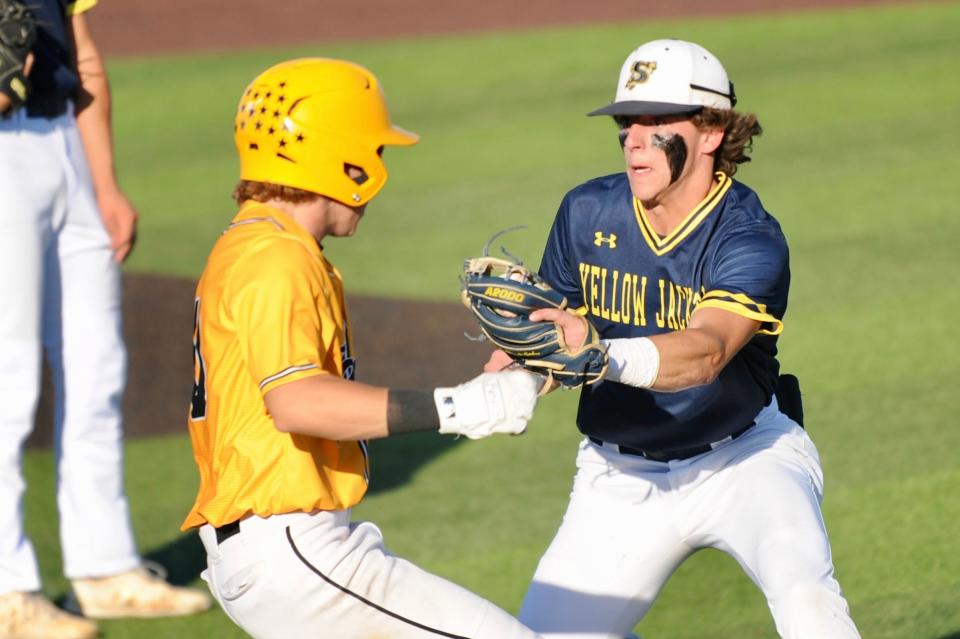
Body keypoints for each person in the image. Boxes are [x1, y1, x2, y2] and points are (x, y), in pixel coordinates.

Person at [492, 39, 861, 639]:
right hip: (619, 475)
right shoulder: (586, 212)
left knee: (809, 607)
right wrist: (514, 378)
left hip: (745, 459)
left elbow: (707, 352)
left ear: (712, 130)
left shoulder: (748, 237)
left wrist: (600, 356)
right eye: (626, 122)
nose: (634, 138)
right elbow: (551, 337)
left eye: (657, 121)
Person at [182, 57, 545, 639]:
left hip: (278, 551)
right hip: (295, 554)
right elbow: (296, 401)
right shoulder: (277, 260)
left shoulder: (249, 244)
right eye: (372, 151)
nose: (378, 168)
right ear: (333, 155)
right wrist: (462, 408)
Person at [0, 1, 213, 637]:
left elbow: (83, 54)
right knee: (8, 384)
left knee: (98, 368)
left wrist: (105, 183)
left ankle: (105, 568)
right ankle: (9, 590)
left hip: (66, 143)